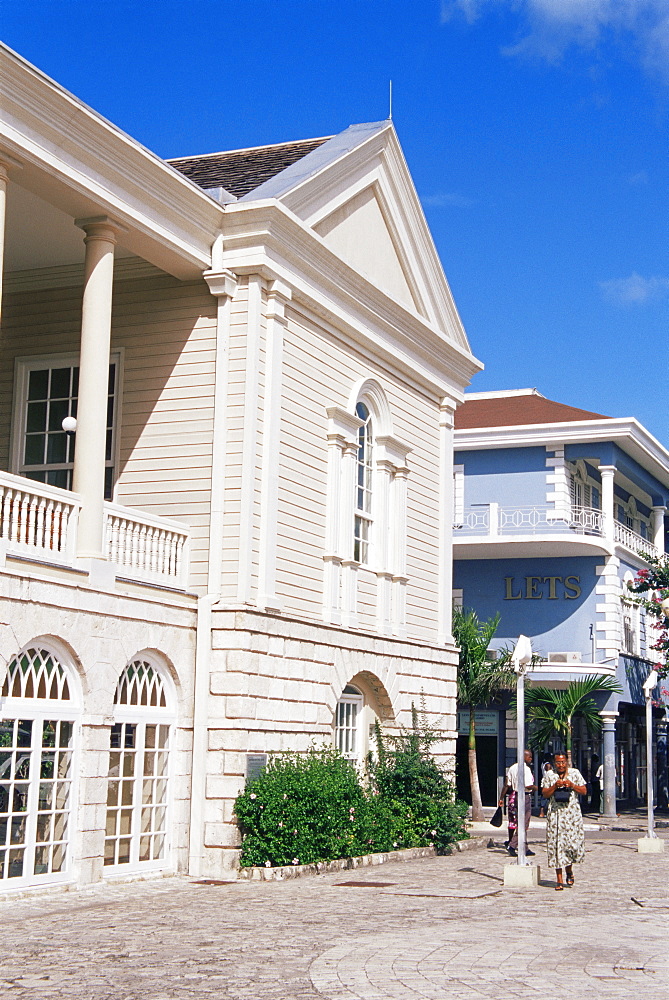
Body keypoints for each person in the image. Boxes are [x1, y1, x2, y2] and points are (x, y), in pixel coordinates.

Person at [542, 752, 587, 890]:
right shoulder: (550, 775)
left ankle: (569, 871)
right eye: (558, 762)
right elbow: (545, 793)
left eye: (563, 762)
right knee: (556, 847)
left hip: (571, 816)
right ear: (554, 763)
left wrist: (571, 785)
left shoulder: (575, 773)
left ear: (567, 762)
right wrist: (555, 786)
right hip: (556, 816)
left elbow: (584, 791)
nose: (560, 765)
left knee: (570, 845)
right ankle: (559, 880)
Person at [499, 749, 537, 857]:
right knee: (523, 823)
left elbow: (507, 784)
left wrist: (501, 797)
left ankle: (525, 848)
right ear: (524, 757)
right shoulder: (526, 769)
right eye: (529, 757)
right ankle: (512, 845)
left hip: (515, 796)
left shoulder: (512, 768)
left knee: (519, 821)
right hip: (524, 796)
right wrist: (537, 788)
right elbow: (528, 785)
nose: (531, 759)